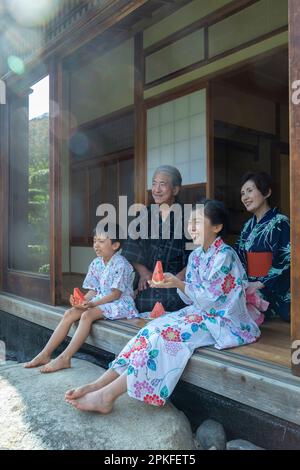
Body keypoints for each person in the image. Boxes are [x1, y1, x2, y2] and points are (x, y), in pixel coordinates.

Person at [64, 200, 266, 413]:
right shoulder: (196, 255)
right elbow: (191, 299)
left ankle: (107, 396)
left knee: (165, 337)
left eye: (197, 222)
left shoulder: (225, 255)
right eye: (190, 222)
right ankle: (100, 384)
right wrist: (174, 283)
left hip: (222, 319)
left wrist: (179, 283)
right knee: (151, 329)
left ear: (216, 227)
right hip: (200, 313)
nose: (191, 227)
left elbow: (212, 300)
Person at [24, 224, 138, 373]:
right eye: (94, 241)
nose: (96, 245)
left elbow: (115, 294)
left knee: (87, 315)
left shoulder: (121, 264)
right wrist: (81, 302)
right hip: (100, 301)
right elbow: (93, 290)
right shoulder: (96, 263)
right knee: (70, 313)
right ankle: (45, 354)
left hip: (120, 303)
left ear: (115, 245)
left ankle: (65, 358)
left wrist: (91, 304)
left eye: (101, 241)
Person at [122, 165, 189, 313]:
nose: (156, 189)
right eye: (154, 183)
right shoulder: (143, 215)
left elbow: (197, 256)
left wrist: (177, 280)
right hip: (148, 281)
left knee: (174, 306)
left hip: (176, 280)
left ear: (176, 190)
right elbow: (130, 247)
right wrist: (144, 272)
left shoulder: (188, 217)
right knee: (145, 304)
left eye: (162, 184)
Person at [235, 171, 290, 322]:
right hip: (251, 288)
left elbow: (286, 259)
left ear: (266, 192)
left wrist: (260, 284)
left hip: (272, 290)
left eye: (250, 191)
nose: (245, 197)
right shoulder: (248, 226)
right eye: (242, 193)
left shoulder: (280, 222)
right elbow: (238, 257)